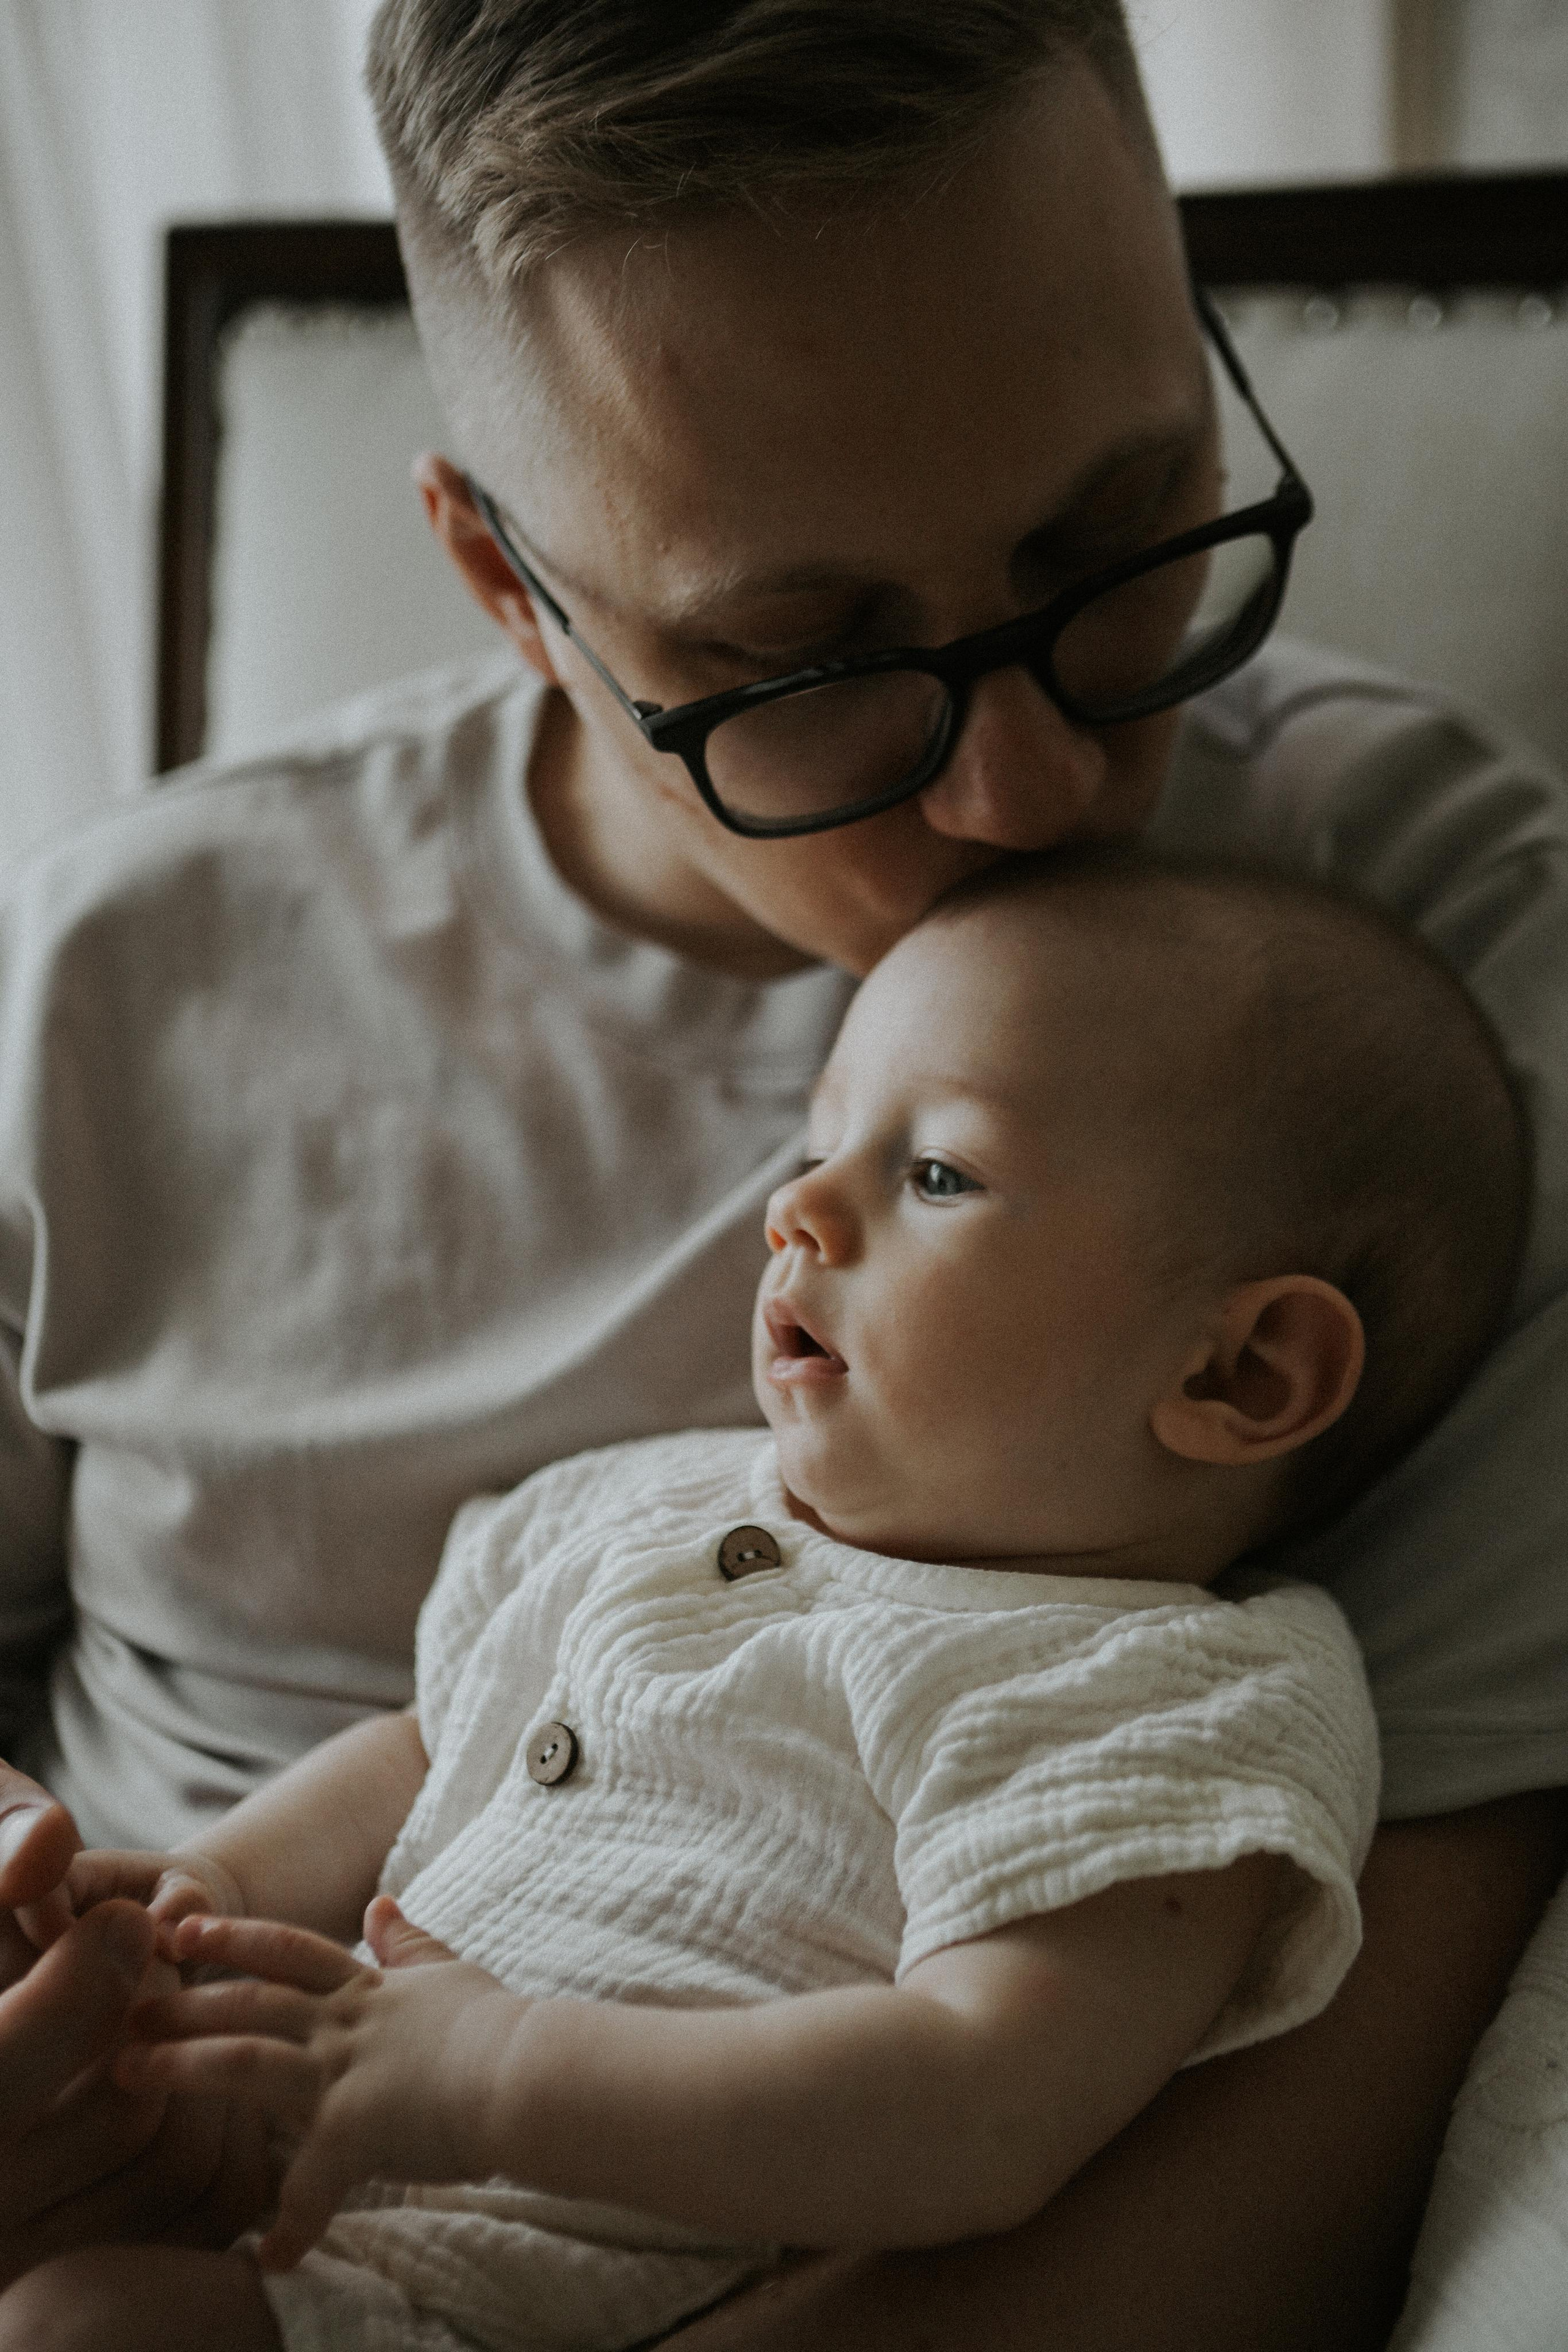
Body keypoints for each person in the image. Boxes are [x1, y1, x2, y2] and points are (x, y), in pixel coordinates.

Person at [1, 4, 1566, 2343]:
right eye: (807, 659)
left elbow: (1308, 2115)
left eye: (1124, 530)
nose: (1036, 796)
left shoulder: (1427, 962)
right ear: (504, 582)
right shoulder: (105, 971)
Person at [0, 845, 1530, 2352]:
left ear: (1238, 1372)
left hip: (520, 2291)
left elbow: (980, 2105)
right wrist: (213, 1889)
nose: (796, 1208)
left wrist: (494, 2071)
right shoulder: (654, 1502)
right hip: (285, 2164)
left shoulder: (1161, 1698)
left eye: (935, 1174)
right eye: (819, 1143)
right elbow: (422, 1747)